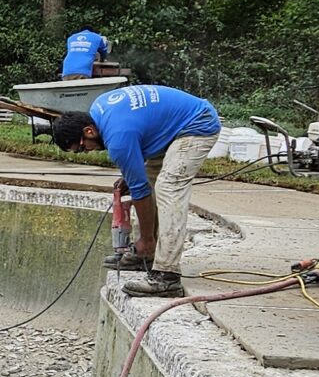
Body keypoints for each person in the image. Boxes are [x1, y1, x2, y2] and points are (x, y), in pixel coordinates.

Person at [47, 83, 222, 297]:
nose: (87, 152)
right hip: (173, 126)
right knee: (148, 179)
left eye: (83, 147)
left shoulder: (117, 138)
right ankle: (146, 256)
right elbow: (143, 128)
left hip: (196, 125)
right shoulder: (100, 109)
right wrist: (132, 171)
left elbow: (140, 193)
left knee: (169, 187)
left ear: (89, 131)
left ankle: (167, 276)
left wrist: (146, 238)